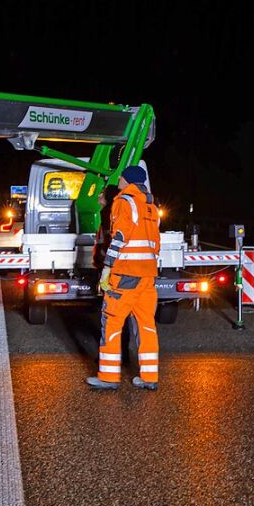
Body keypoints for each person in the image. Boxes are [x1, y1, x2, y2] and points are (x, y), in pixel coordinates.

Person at [87, 165, 161, 391]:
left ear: (127, 180)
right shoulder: (151, 207)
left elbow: (118, 238)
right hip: (148, 275)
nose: (118, 179)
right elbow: (155, 244)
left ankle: (108, 377)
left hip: (126, 273)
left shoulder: (123, 202)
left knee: (112, 322)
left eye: (121, 177)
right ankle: (149, 377)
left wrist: (107, 268)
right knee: (146, 325)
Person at [92, 184, 121, 271]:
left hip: (108, 261)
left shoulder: (107, 213)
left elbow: (105, 239)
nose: (100, 196)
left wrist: (99, 258)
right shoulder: (113, 211)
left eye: (102, 193)